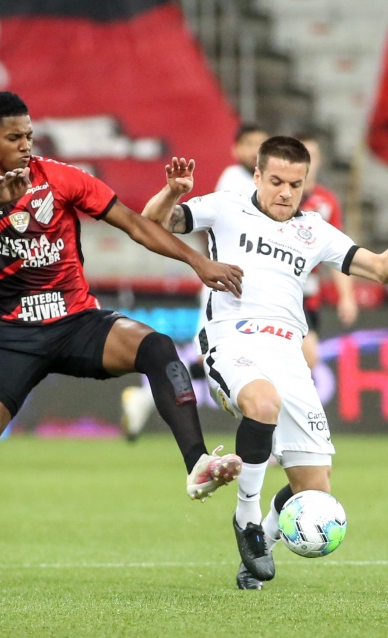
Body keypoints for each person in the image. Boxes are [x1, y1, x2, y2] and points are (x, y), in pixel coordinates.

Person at [0, 91, 246, 595]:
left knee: (156, 348)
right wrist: (2, 199)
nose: (26, 145)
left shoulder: (62, 178)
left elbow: (135, 224)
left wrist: (198, 262)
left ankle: (197, 463)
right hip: (11, 336)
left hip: (75, 321)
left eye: (29, 135)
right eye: (13, 137)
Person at [142, 138, 388, 590]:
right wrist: (173, 192)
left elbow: (382, 270)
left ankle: (260, 547)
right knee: (262, 404)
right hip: (233, 338)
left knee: (314, 492)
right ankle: (247, 520)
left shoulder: (316, 230)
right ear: (256, 176)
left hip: (289, 353)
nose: (285, 192)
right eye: (276, 182)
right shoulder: (225, 207)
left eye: (295, 184)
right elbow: (151, 223)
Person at [119, 123, 269, 439]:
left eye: (262, 145)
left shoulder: (266, 185)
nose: (256, 152)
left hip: (256, 289)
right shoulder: (235, 180)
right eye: (250, 144)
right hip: (227, 286)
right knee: (212, 359)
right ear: (236, 149)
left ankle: (144, 400)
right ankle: (146, 398)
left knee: (243, 359)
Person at [294, 130, 358, 369]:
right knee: (306, 355)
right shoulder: (277, 195)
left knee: (306, 360)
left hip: (308, 293)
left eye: (313, 155)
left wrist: (347, 297)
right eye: (303, 154)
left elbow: (338, 254)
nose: (309, 161)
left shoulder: (326, 202)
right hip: (278, 286)